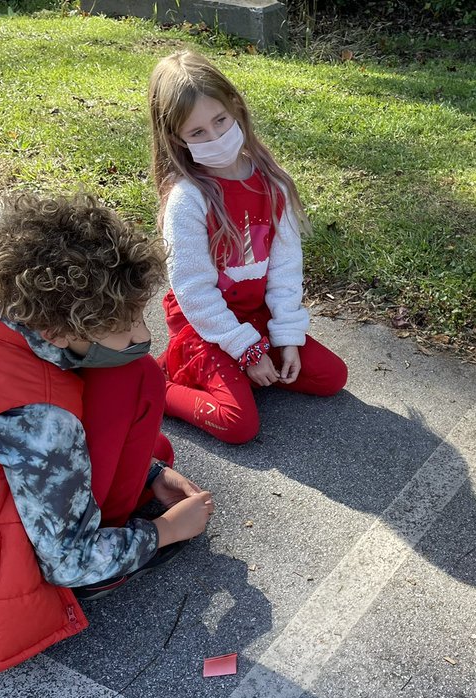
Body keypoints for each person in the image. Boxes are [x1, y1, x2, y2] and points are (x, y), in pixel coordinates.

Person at [0, 192, 214, 674]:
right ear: (57, 332)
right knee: (132, 378)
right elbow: (69, 561)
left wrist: (150, 473)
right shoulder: (40, 422)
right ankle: (105, 567)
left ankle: (120, 498)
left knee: (132, 373)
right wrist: (166, 530)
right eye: (126, 324)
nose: (142, 335)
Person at [148, 50, 347, 445]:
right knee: (238, 424)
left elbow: (285, 269)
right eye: (197, 132)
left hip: (255, 316)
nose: (215, 138)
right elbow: (193, 291)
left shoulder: (273, 182)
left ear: (236, 107)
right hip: (204, 326)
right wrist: (247, 351)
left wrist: (286, 336)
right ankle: (158, 384)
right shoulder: (188, 199)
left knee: (331, 377)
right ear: (176, 139)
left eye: (220, 121)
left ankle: (235, 373)